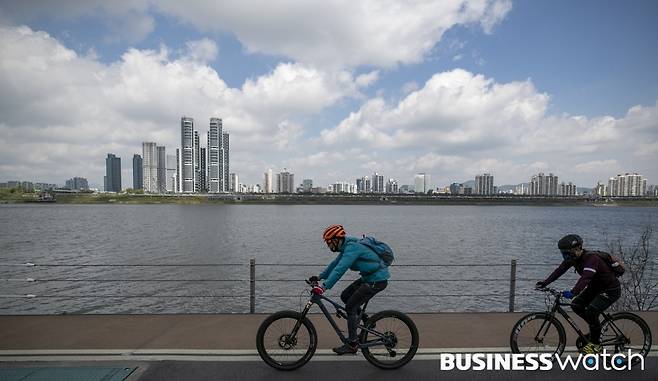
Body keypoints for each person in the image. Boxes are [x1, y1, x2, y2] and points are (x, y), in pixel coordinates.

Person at [309, 224, 390, 355]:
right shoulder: (346, 246)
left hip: (377, 280)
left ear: (336, 240)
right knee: (345, 296)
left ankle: (352, 344)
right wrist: (320, 276)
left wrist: (323, 287)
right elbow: (335, 264)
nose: (328, 246)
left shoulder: (352, 248)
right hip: (369, 278)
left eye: (329, 243)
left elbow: (340, 269)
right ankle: (365, 319)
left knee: (350, 307)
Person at [535, 234, 621, 354]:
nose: (565, 256)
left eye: (566, 253)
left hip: (610, 289)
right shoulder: (572, 259)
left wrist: (573, 292)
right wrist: (545, 283)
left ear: (577, 249)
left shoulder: (591, 259)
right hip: (596, 288)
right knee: (576, 305)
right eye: (562, 253)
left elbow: (586, 278)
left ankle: (596, 345)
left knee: (591, 311)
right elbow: (559, 270)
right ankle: (595, 330)